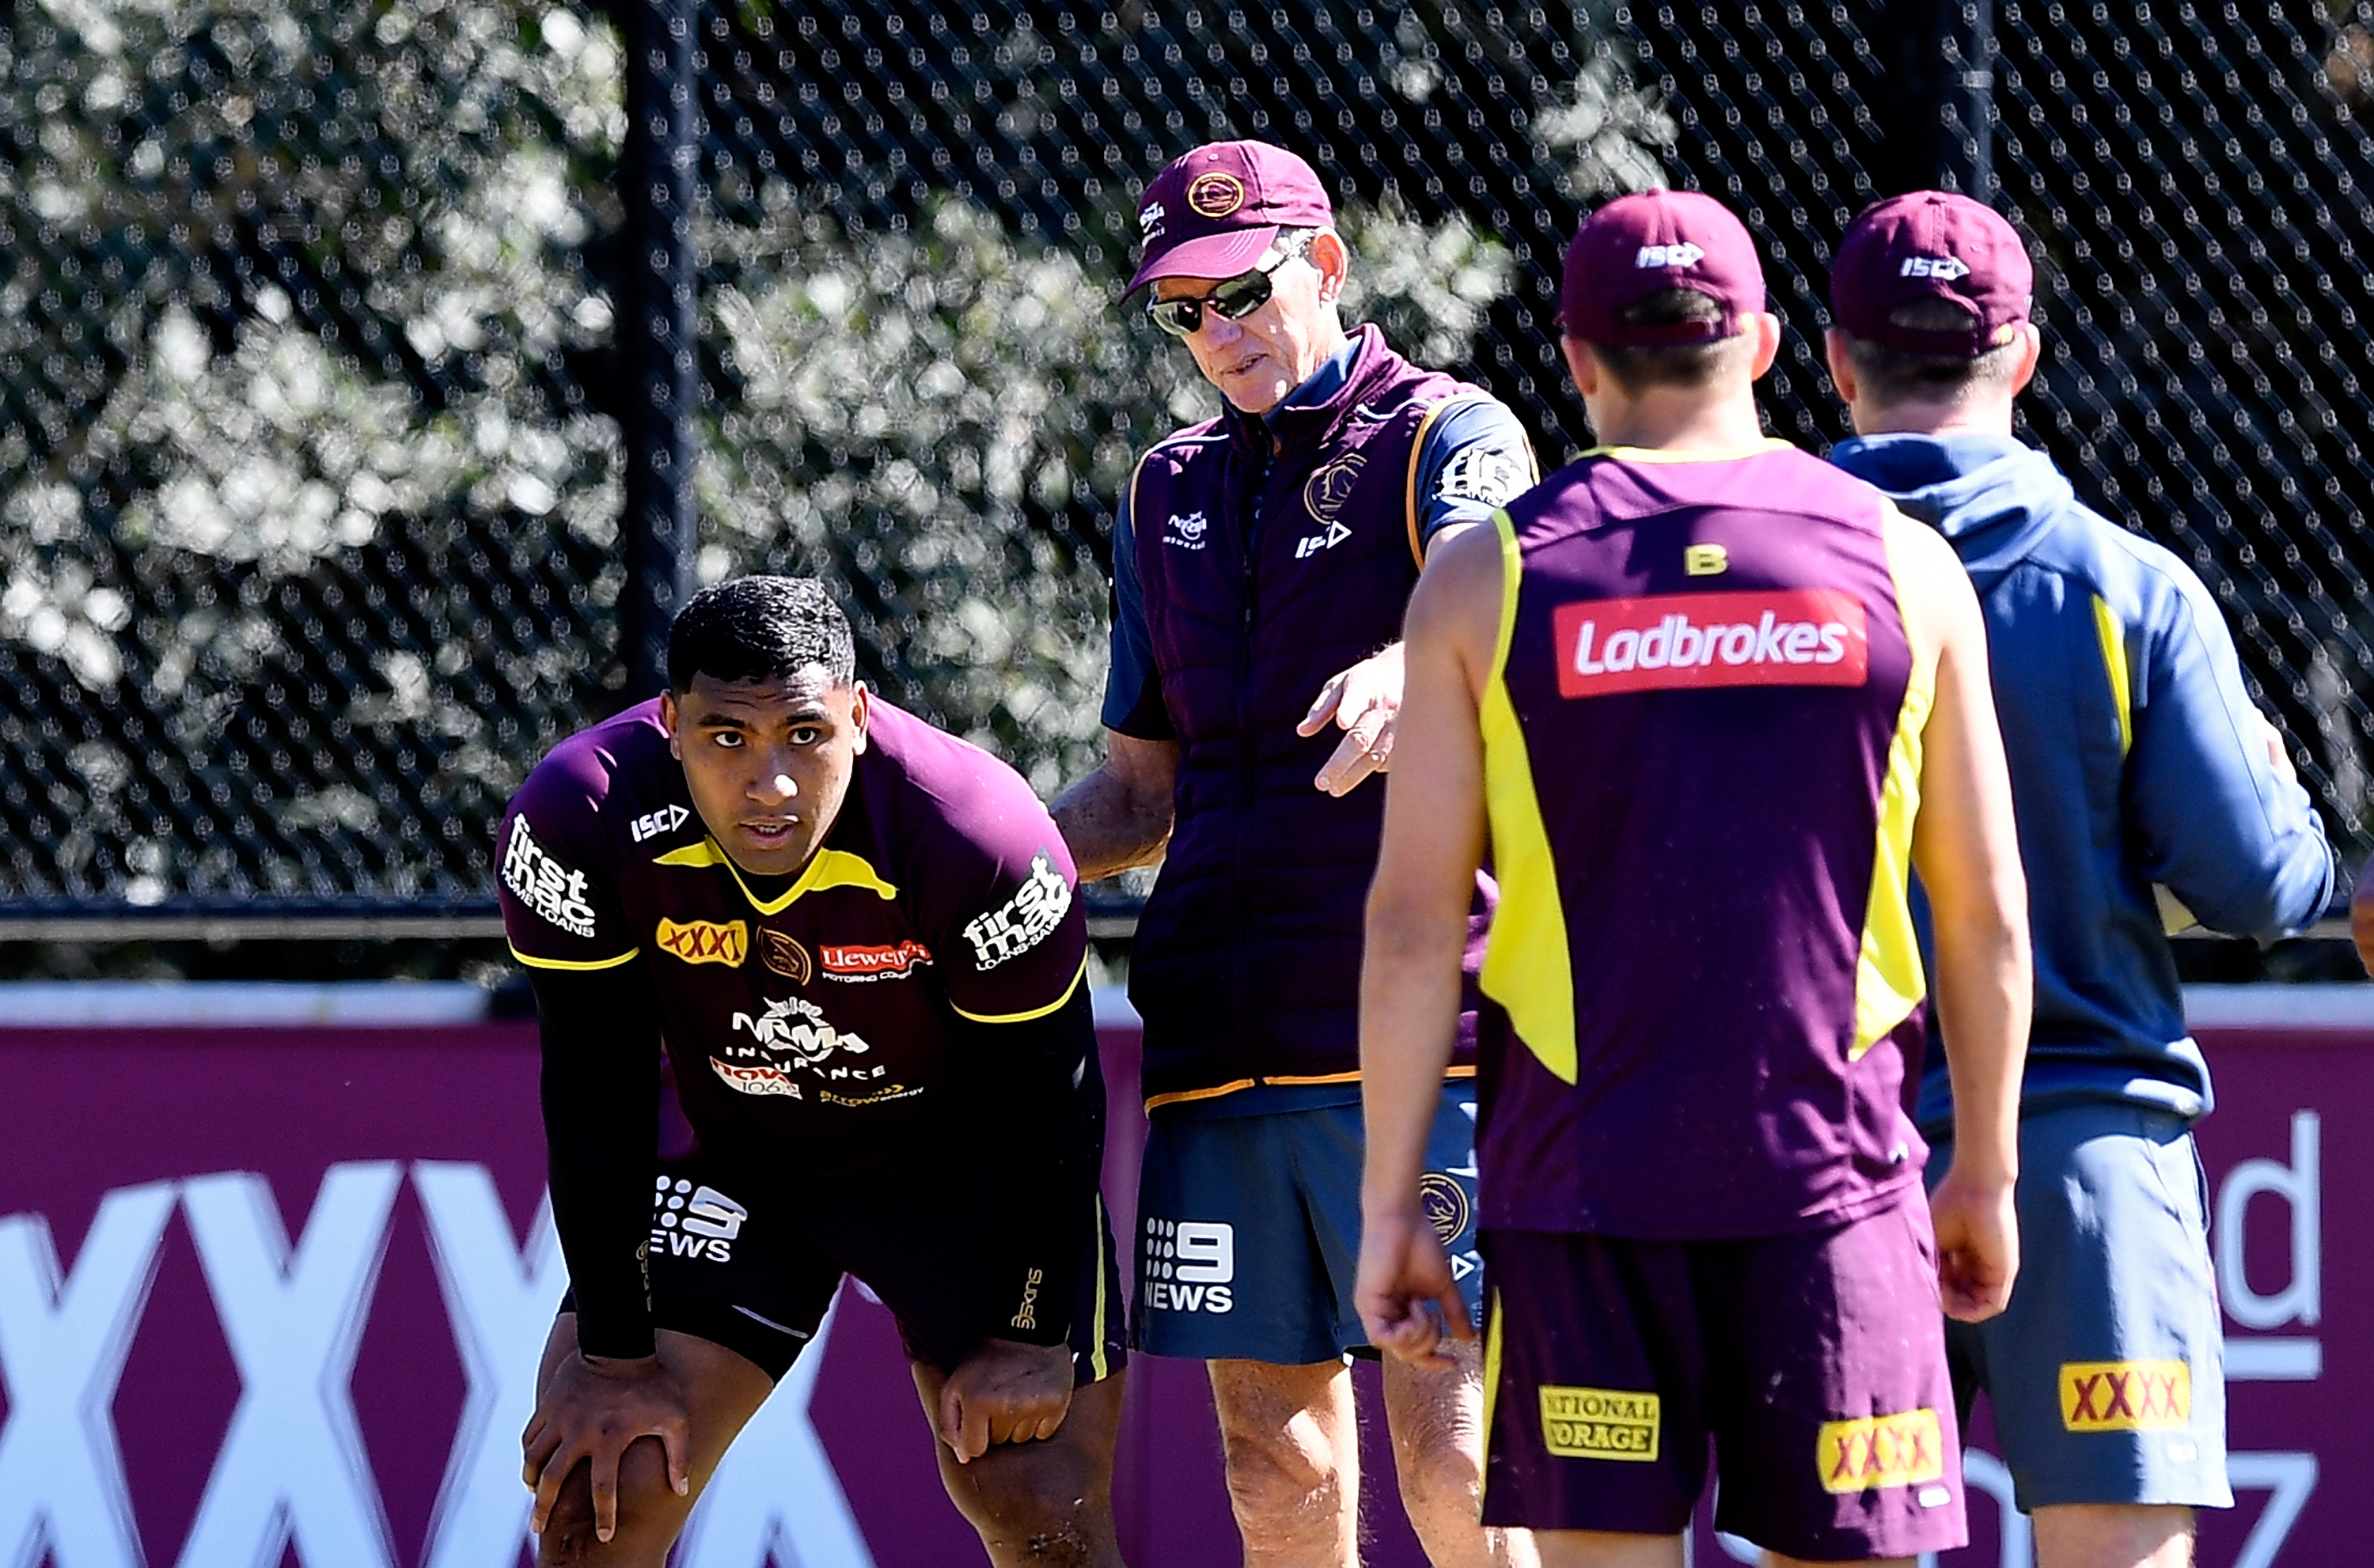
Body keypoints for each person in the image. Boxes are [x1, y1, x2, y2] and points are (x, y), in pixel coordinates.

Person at [1355, 188, 2034, 1568]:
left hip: (1579, 1189)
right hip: (1834, 1182)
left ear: (1580, 359)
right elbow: (1987, 916)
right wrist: (1989, 1177)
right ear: (1773, 345)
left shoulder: (1486, 576)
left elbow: (1417, 923)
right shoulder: (1908, 565)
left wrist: (1390, 1209)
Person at [1820, 191, 2338, 1568]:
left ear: (1830, 358)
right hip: (2084, 1155)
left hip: (1831, 1162)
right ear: (2025, 356)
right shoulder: (2128, 586)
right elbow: (2261, 887)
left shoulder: (1755, 593)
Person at [1050, 140, 1539, 1567]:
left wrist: (1414, 665)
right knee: (1273, 1466)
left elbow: (1504, 589)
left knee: (1452, 1451)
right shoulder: (1164, 490)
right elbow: (1140, 790)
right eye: (1181, 310)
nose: (1216, 332)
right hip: (1218, 1036)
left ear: (1322, 267)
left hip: (1421, 1038)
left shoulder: (1452, 431)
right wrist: (976, 855)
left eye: (1242, 291)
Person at [497, 576, 1128, 1566]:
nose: (771, 784)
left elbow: (1051, 1095)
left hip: (955, 1158)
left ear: (861, 716)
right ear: (668, 723)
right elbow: (595, 1085)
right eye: (726, 738)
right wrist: (614, 1356)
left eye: (805, 734)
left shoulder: (977, 831)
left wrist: (1033, 1327)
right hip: (736, 1153)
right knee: (601, 1495)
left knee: (1039, 1505)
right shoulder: (579, 815)